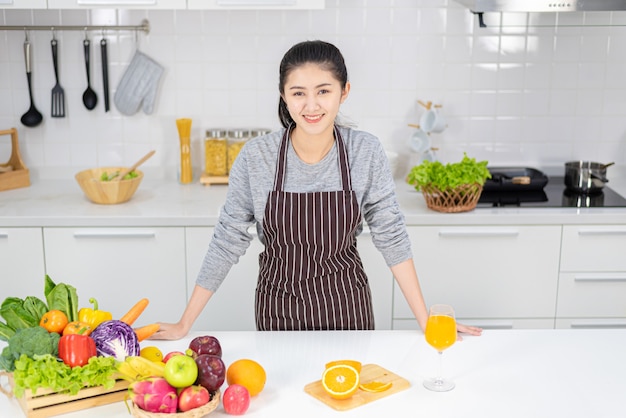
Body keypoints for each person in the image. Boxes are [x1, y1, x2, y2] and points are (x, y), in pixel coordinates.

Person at [153, 40, 482, 338]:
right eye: (298, 93)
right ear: (283, 95)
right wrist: (185, 323)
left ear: (344, 91)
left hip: (346, 309)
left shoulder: (363, 152)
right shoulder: (257, 158)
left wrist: (426, 320)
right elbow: (227, 239)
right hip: (278, 311)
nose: (311, 106)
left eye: (323, 91)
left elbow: (391, 235)